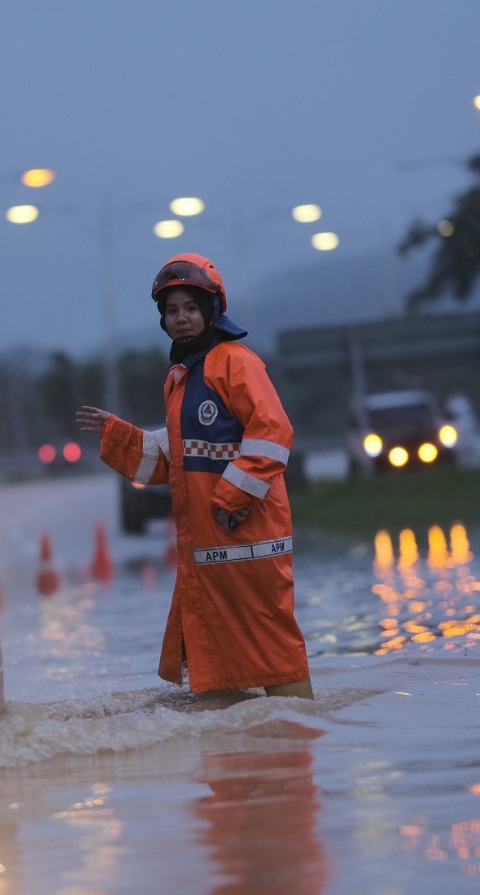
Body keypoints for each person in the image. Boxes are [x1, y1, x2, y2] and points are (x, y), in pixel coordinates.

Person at [76, 253, 313, 699]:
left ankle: (300, 729)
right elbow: (175, 459)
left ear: (212, 310)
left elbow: (272, 432)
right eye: (171, 310)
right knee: (216, 658)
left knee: (272, 646)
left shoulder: (236, 362)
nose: (180, 318)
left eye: (189, 308)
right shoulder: (181, 378)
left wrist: (233, 497)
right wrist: (117, 435)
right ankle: (234, 738)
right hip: (209, 548)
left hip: (247, 537)